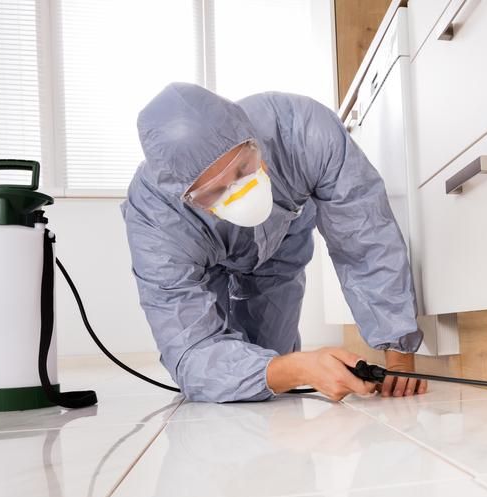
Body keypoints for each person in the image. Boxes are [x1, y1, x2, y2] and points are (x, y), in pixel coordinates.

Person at [121, 83, 427, 403]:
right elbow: (191, 349)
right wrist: (300, 369)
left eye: (243, 166)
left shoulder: (301, 132)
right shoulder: (155, 223)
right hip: (207, 262)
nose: (240, 192)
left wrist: (398, 351)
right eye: (214, 191)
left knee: (272, 360)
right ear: (186, 198)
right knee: (233, 380)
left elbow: (365, 238)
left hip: (279, 248)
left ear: (251, 137)